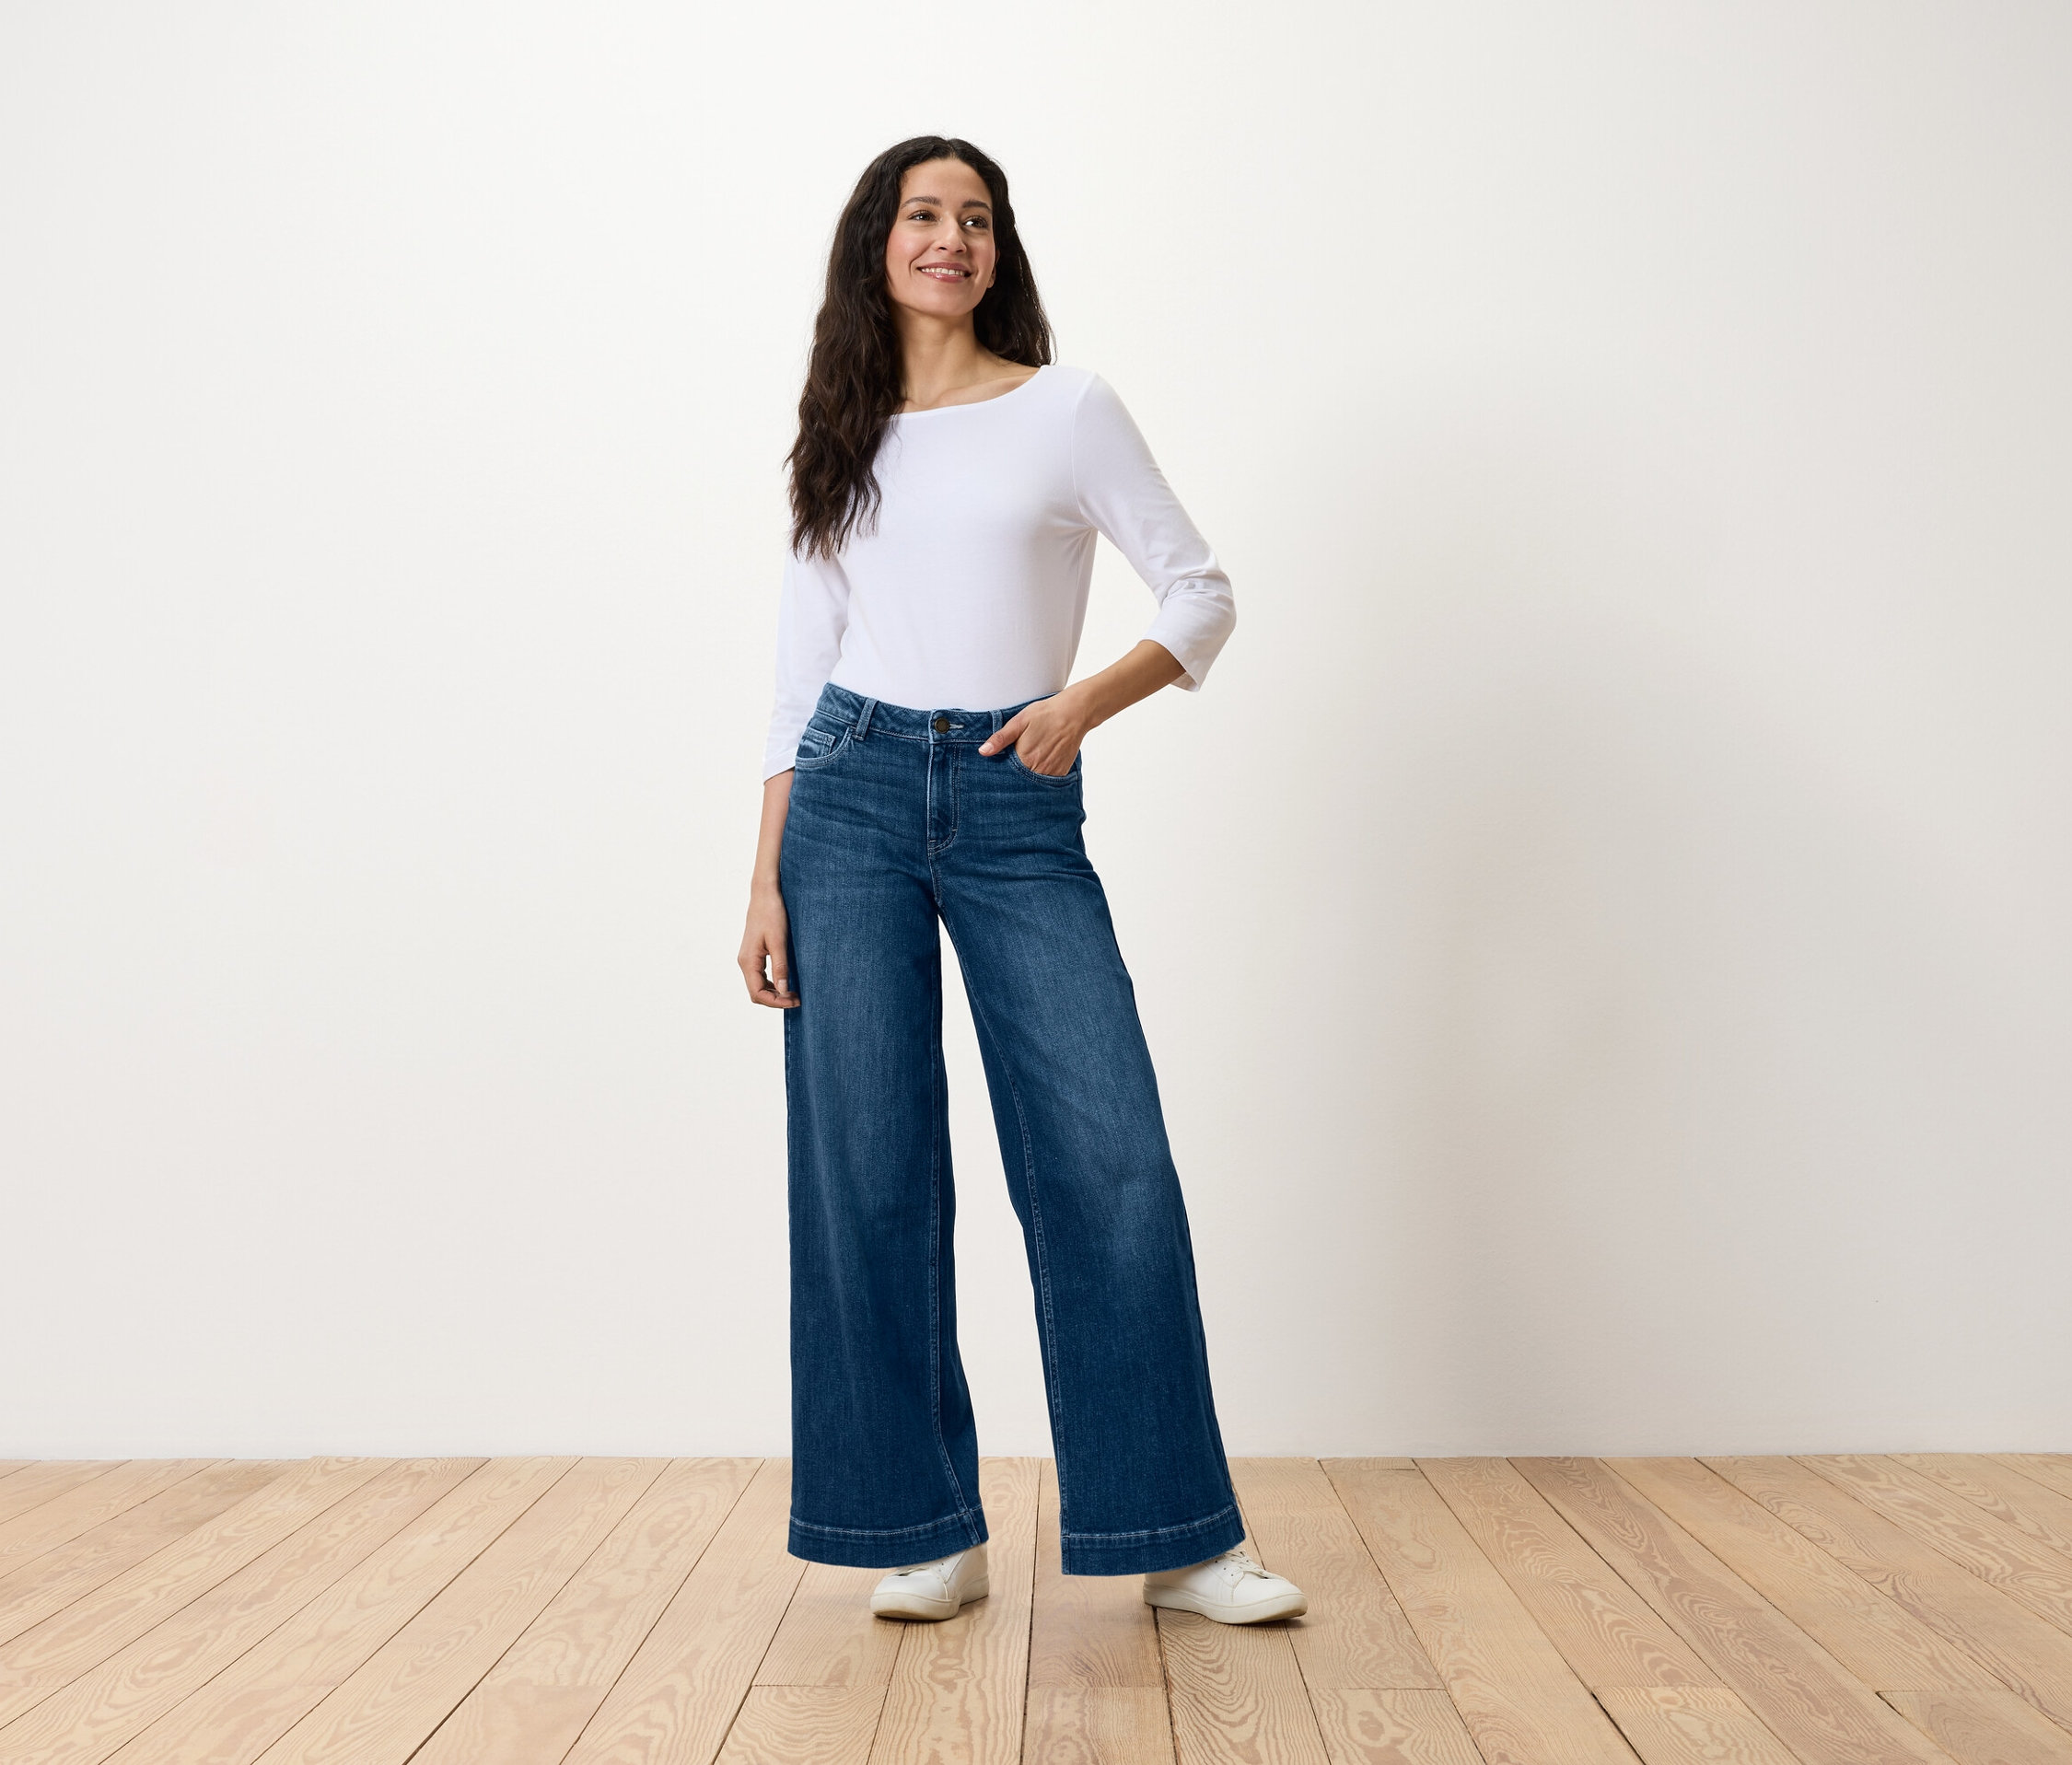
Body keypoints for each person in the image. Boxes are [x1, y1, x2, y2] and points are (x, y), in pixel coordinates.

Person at [738, 135, 1305, 1627]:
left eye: (976, 219)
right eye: (924, 215)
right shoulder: (837, 428)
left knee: (1105, 1154)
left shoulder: (1065, 408)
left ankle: (1174, 1531)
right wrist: (764, 876)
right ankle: (919, 1523)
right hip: (846, 800)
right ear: (877, 242)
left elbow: (1200, 590)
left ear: (1000, 251)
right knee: (866, 1164)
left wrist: (1077, 708)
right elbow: (801, 673)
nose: (952, 238)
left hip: (1011, 795)